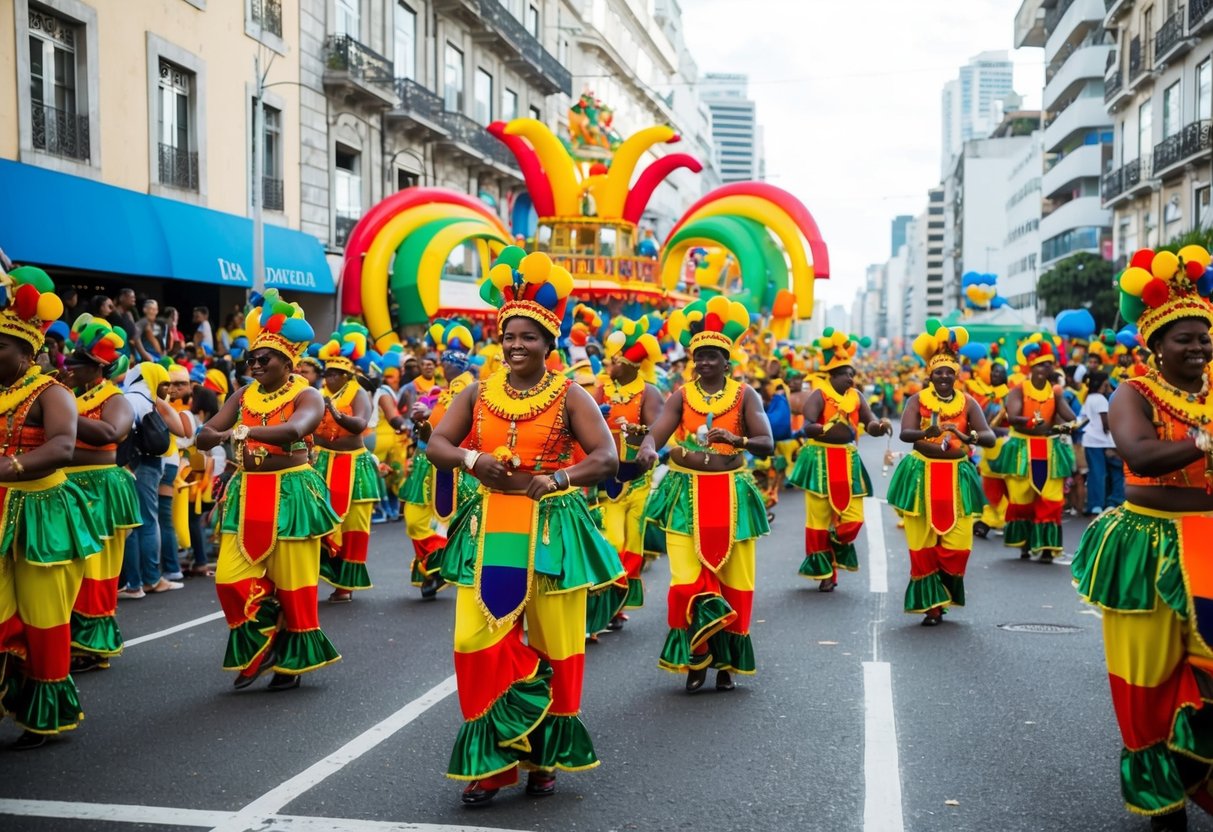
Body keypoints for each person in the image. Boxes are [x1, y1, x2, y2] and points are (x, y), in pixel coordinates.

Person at [423, 249, 622, 804]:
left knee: (558, 642)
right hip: (490, 525)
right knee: (473, 638)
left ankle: (543, 758)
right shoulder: (477, 392)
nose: (515, 345)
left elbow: (604, 457)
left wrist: (559, 478)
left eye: (527, 336)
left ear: (548, 343)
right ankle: (492, 757)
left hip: (554, 529)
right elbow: (437, 442)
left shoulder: (571, 394)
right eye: (508, 335)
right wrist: (470, 461)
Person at [1072, 246, 1213, 830]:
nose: (1199, 347)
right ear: (1157, 345)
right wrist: (1204, 443)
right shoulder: (1133, 392)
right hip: (1147, 545)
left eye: (1204, 336)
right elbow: (1138, 454)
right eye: (1185, 338)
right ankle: (1161, 795)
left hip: (1207, 544)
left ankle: (1198, 766)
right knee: (1147, 679)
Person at [198, 290, 340, 691]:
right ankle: (270, 635)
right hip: (247, 490)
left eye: (265, 359)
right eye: (251, 359)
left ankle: (289, 663)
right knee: (229, 578)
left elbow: (298, 429)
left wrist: (240, 431)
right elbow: (207, 431)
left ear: (287, 361)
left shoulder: (307, 394)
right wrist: (207, 434)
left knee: (294, 584)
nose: (255, 364)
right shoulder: (242, 395)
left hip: (293, 491)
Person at [638, 295, 774, 692]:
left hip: (732, 495)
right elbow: (658, 431)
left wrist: (738, 438)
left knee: (736, 580)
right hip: (685, 495)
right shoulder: (681, 395)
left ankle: (728, 662)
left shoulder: (746, 395)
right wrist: (648, 448)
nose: (705, 362)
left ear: (727, 359)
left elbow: (766, 441)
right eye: (699, 356)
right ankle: (697, 657)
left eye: (713, 355)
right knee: (685, 580)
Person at [0, 266, 103, 749]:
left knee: (44, 617)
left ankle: (42, 712)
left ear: (28, 352)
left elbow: (62, 447)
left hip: (44, 511)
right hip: (3, 510)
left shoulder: (53, 392)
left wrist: (7, 467)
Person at [888, 322, 995, 626]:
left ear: (957, 374)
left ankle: (942, 592)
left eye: (949, 372)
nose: (944, 377)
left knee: (959, 546)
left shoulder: (968, 402)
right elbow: (906, 434)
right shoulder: (917, 400)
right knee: (921, 542)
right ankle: (931, 605)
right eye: (939, 372)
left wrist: (971, 437)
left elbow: (989, 437)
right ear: (930, 375)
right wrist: (929, 430)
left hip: (957, 476)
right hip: (921, 475)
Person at [62, 316, 139, 674]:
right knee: (71, 566)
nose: (67, 368)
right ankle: (72, 639)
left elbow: (114, 432)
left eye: (73, 364)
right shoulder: (73, 396)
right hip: (68, 487)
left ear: (96, 367)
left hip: (100, 489)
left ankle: (93, 646)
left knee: (96, 568)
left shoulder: (113, 396)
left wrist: (62, 413)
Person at [789, 329, 891, 592]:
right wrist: (817, 429)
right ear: (833, 375)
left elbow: (870, 424)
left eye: (853, 374)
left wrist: (881, 426)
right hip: (819, 460)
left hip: (847, 460)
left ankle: (836, 542)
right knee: (818, 520)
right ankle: (825, 572)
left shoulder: (857, 397)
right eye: (847, 373)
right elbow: (808, 423)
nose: (851, 378)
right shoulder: (819, 394)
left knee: (854, 518)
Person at [590, 314, 664, 632]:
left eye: (614, 360)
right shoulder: (601, 391)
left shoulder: (649, 393)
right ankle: (608, 598)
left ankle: (614, 605)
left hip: (638, 481)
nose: (609, 365)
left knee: (633, 546)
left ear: (631, 364)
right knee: (612, 541)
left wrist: (639, 434)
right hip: (608, 480)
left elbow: (657, 432)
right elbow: (583, 427)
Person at [402, 323, 478, 599]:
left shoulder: (467, 389)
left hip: (451, 466)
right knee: (416, 518)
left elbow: (458, 424)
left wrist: (430, 412)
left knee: (445, 521)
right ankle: (436, 566)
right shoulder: (443, 390)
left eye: (448, 360)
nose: (443, 365)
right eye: (444, 360)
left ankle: (440, 567)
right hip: (427, 461)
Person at [988, 334, 1078, 563]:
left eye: (1048, 365)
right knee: (1021, 498)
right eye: (1040, 365)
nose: (1044, 369)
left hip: (1049, 449)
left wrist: (1067, 425)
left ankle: (1047, 547)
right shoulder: (1019, 389)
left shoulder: (1055, 392)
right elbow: (1014, 416)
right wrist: (1029, 423)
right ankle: (1025, 543)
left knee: (1051, 498)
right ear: (1032, 367)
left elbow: (1070, 415)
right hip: (1021, 449)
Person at [314, 324, 378, 603]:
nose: (328, 377)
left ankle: (346, 585)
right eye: (326, 372)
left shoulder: (356, 393)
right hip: (325, 463)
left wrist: (337, 415)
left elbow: (360, 423)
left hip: (354, 467)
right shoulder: (322, 394)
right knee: (321, 519)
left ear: (346, 374)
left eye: (333, 373)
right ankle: (328, 572)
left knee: (353, 526)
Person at [118, 362, 188, 598]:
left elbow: (121, 433)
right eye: (165, 383)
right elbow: (180, 430)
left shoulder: (129, 398)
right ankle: (148, 579)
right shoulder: (151, 400)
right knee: (149, 520)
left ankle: (141, 581)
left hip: (137, 465)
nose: (168, 388)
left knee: (139, 523)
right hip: (154, 463)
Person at [184, 386, 222, 576]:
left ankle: (200, 560)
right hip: (203, 473)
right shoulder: (211, 422)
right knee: (195, 517)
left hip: (196, 473)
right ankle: (198, 558)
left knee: (193, 517)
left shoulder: (200, 422)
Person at [1079, 370, 1124, 515]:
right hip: (1101, 441)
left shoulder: (1089, 398)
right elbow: (1106, 423)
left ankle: (1097, 503)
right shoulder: (1100, 399)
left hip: (1092, 441)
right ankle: (1104, 503)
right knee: (1106, 473)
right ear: (1103, 382)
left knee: (1096, 474)